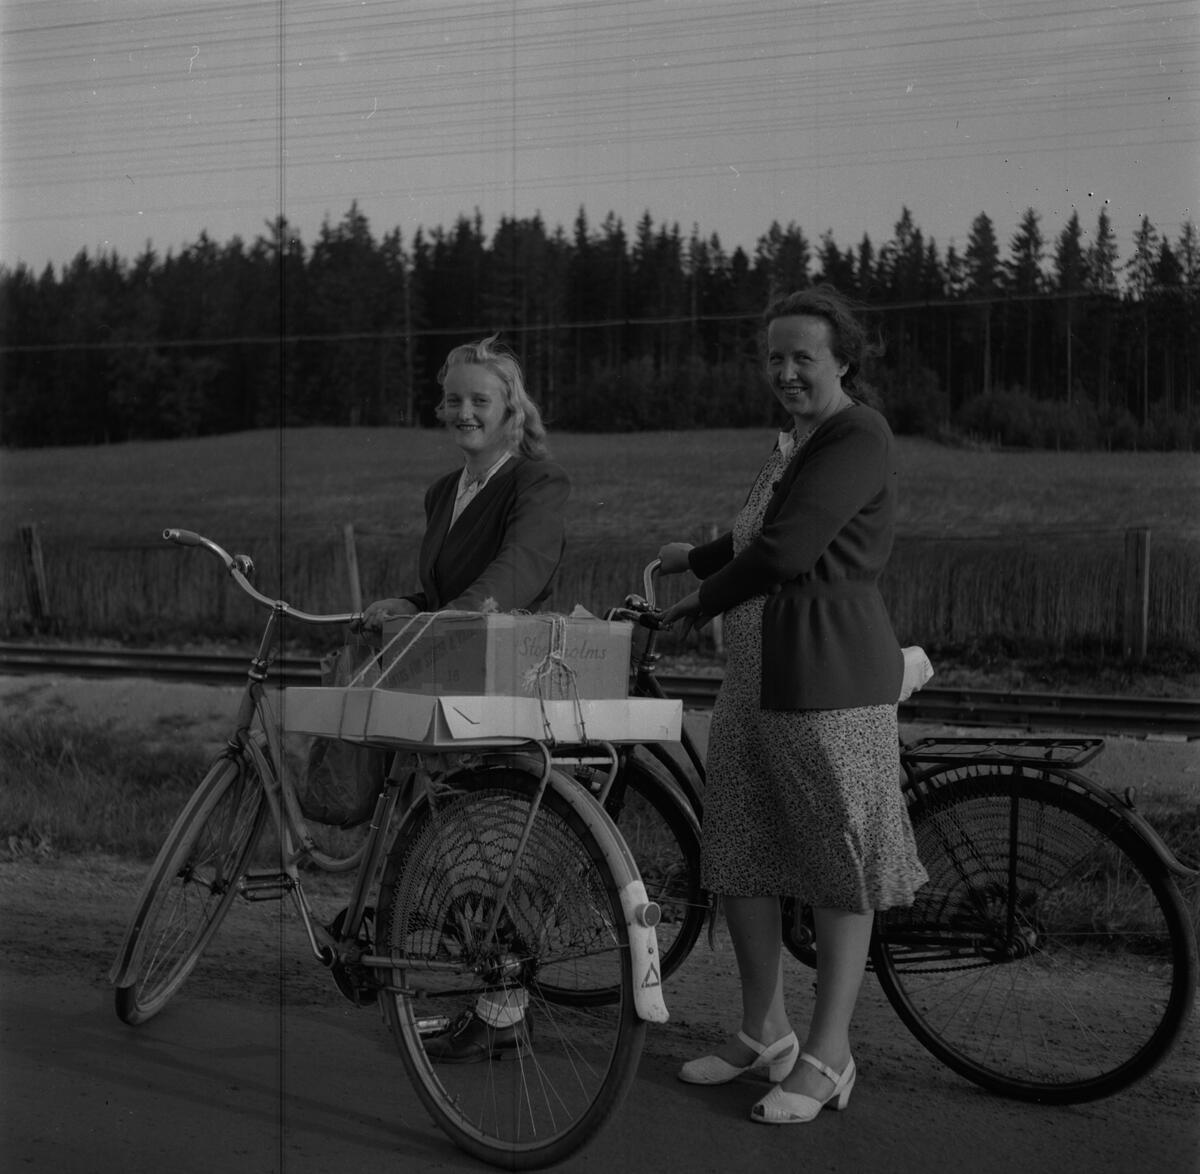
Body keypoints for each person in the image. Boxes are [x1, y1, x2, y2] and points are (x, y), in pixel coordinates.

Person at [657, 285, 927, 1125]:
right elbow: (757, 535)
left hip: (825, 681)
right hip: (755, 676)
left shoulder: (857, 434)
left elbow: (789, 547)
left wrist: (702, 596)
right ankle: (763, 1031)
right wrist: (698, 556)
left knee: (833, 866)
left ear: (842, 359)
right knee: (741, 849)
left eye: (802, 357)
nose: (785, 372)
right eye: (773, 357)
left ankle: (828, 1055)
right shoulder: (798, 440)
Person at [361, 333, 570, 1063]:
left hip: (504, 676)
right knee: (455, 838)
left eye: (480, 399)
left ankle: (505, 1005)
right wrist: (412, 603)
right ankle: (490, 990)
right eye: (453, 399)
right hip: (451, 673)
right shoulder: (443, 491)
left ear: (512, 410)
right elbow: (446, 587)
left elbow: (521, 568)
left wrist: (457, 615)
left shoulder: (537, 482)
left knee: (490, 838)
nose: (464, 412)